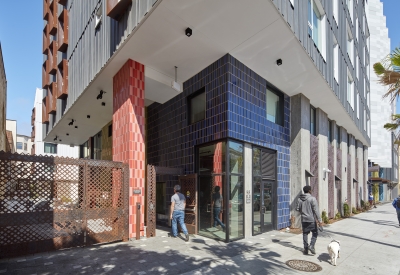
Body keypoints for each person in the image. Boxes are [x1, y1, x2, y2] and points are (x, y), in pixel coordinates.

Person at [296, 186, 322, 255]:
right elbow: (316, 211)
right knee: (315, 233)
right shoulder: (312, 199)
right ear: (309, 191)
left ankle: (305, 249)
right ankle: (311, 245)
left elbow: (298, 209)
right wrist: (320, 221)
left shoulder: (299, 199)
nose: (311, 191)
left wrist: (304, 212)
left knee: (305, 233)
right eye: (311, 190)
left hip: (304, 219)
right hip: (311, 220)